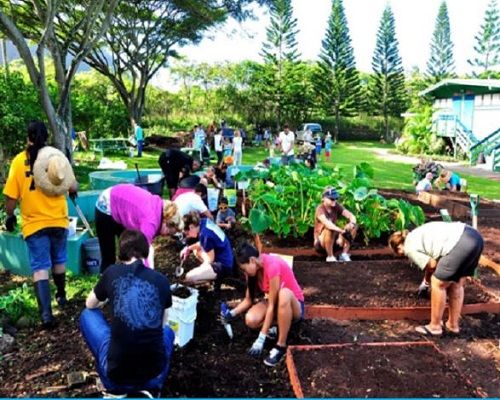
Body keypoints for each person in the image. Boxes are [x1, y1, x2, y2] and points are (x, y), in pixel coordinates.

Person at [80, 230, 175, 395]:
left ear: (121, 251)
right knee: (168, 332)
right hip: (154, 376)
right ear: (145, 251)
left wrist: (107, 297)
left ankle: (117, 390)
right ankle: (148, 390)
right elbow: (162, 324)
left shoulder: (111, 272)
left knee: (87, 315)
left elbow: (90, 304)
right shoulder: (162, 280)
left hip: (115, 378)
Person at [3, 121, 78, 328]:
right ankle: (62, 297)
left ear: (28, 137)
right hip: (58, 219)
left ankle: (46, 315)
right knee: (59, 260)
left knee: (40, 267)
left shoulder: (19, 162)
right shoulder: (56, 157)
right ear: (46, 137)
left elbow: (10, 197)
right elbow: (73, 184)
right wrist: (72, 190)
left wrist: (9, 214)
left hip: (34, 223)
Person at [389, 222, 484, 336]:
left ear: (399, 247)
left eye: (400, 254)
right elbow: (435, 265)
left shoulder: (408, 247)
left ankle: (434, 326)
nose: (404, 255)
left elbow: (432, 265)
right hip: (475, 237)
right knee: (456, 283)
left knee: (438, 283)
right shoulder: (416, 234)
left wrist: (427, 283)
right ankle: (452, 326)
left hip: (460, 243)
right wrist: (426, 282)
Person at [221, 243, 305, 367]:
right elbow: (248, 300)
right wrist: (231, 314)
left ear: (252, 260)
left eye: (244, 269)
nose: (245, 272)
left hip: (294, 306)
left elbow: (271, 306)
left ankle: (280, 346)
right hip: (276, 303)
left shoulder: (272, 266)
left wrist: (261, 338)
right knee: (251, 320)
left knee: (284, 294)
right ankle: (279, 327)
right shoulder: (253, 272)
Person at [95, 184, 182, 272]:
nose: (165, 235)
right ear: (166, 222)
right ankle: (105, 280)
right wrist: (149, 276)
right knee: (109, 256)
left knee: (128, 250)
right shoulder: (151, 221)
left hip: (123, 204)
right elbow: (146, 251)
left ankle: (127, 276)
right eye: (168, 233)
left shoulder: (159, 208)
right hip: (107, 203)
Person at [180, 211, 234, 284]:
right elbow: (203, 244)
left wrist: (199, 269)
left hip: (223, 265)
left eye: (187, 233)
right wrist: (188, 248)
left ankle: (217, 278)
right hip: (226, 255)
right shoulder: (204, 222)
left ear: (191, 227)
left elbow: (209, 260)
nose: (187, 236)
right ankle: (210, 274)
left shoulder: (204, 235)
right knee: (196, 250)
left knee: (189, 277)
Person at [314, 187, 357, 262]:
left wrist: (352, 223)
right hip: (320, 243)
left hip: (333, 240)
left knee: (354, 227)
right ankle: (330, 256)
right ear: (324, 198)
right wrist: (341, 231)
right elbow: (328, 224)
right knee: (330, 229)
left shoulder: (336, 206)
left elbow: (351, 215)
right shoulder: (320, 209)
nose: (334, 200)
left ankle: (344, 254)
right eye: (332, 199)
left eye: (335, 198)